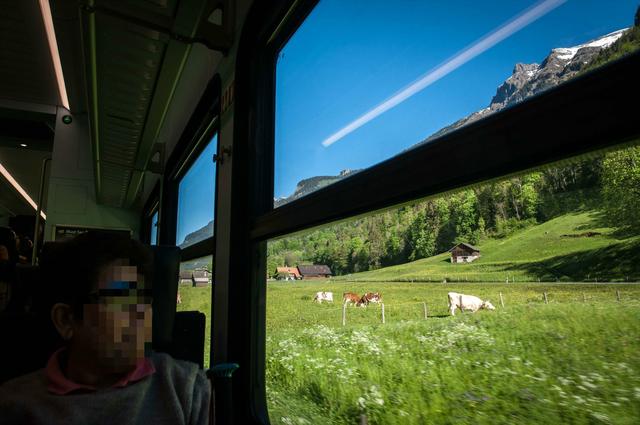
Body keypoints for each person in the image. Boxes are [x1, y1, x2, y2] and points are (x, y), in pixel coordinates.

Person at [0, 232, 211, 424]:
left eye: (144, 300)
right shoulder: (14, 406)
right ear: (66, 320)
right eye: (121, 300)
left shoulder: (187, 390)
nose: (142, 314)